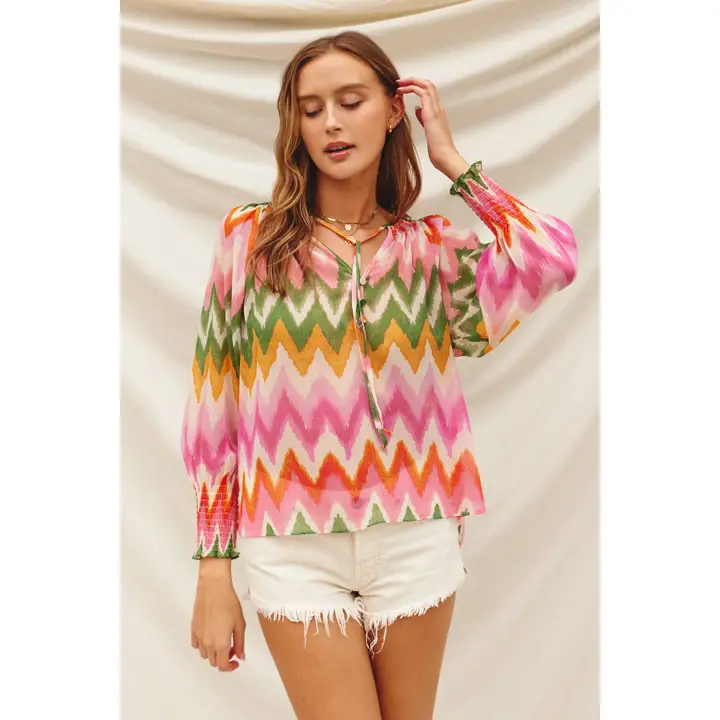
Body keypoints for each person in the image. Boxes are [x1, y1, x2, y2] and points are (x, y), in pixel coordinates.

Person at [180, 30, 577, 720]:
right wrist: (215, 565)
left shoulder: (431, 252)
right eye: (311, 109)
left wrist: (454, 163)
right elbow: (214, 400)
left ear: (394, 111)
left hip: (415, 534)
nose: (330, 123)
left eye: (351, 101)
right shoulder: (252, 241)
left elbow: (551, 257)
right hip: (291, 538)